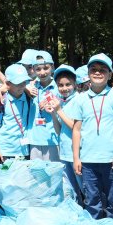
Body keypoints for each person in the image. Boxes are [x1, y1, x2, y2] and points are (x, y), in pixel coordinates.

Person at [72, 54, 113, 221]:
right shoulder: (81, 99)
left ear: (110, 74)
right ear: (88, 73)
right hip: (88, 160)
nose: (98, 73)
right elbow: (76, 130)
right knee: (92, 201)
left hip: (111, 161)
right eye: (94, 70)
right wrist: (76, 157)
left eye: (102, 70)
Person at [48, 66, 82, 202]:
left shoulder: (79, 100)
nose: (64, 88)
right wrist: (53, 113)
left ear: (75, 84)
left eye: (68, 84)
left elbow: (75, 127)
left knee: (83, 188)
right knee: (71, 189)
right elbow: (59, 130)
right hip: (65, 152)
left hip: (77, 153)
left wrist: (59, 110)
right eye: (60, 85)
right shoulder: (62, 101)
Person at [0, 65, 33, 161]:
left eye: (24, 82)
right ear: (8, 83)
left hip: (25, 150)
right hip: (6, 150)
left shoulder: (29, 97)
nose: (22, 86)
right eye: (18, 83)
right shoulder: (2, 100)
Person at [29, 51, 59, 161]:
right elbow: (8, 85)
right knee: (37, 174)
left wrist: (51, 101)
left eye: (46, 68)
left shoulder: (58, 87)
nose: (42, 72)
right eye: (38, 69)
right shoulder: (29, 86)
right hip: (34, 138)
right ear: (33, 69)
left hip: (53, 138)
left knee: (54, 174)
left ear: (52, 67)